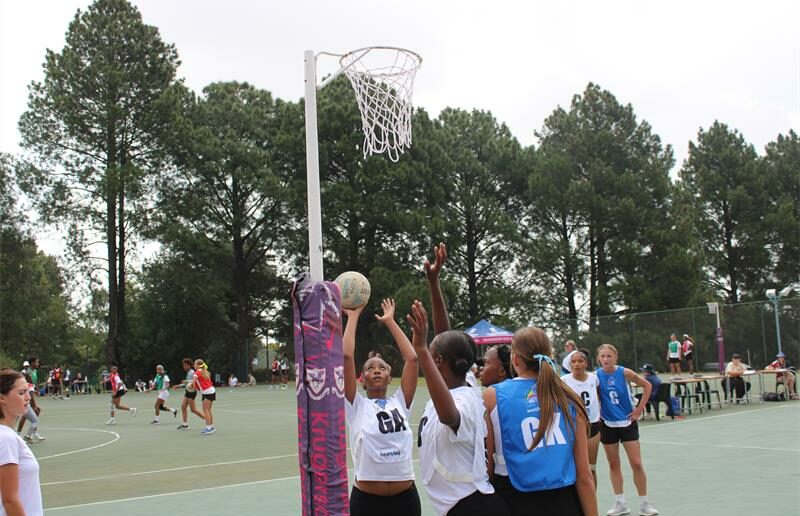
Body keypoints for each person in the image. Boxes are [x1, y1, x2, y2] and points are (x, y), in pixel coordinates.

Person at [413, 243, 509, 516]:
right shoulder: (462, 380)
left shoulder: (465, 401)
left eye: (433, 355)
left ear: (440, 361)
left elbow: (448, 416)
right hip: (463, 506)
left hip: (473, 506)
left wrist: (421, 350)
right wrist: (434, 282)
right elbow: (445, 335)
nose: (430, 355)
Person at [484, 329, 597, 516]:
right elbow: (584, 477)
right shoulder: (569, 397)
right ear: (550, 356)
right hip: (564, 501)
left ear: (516, 359)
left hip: (513, 498)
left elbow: (487, 468)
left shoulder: (493, 396)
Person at [343, 298, 420, 516]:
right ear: (362, 380)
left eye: (382, 368)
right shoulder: (356, 406)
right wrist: (353, 316)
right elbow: (346, 356)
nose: (376, 370)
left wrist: (390, 322)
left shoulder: (401, 402)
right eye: (370, 368)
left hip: (405, 500)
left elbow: (412, 358)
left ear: (389, 378)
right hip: (367, 502)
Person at [596, 344, 658, 516]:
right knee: (613, 464)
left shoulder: (625, 373)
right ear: (598, 358)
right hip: (607, 424)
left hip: (627, 422)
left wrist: (639, 409)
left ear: (615, 357)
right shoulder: (596, 376)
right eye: (603, 356)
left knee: (636, 463)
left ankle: (644, 504)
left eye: (609, 356)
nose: (606, 359)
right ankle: (620, 503)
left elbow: (647, 386)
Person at [0, 368, 43, 516]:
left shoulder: (8, 435)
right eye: (21, 393)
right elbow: (9, 500)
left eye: (27, 391)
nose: (28, 397)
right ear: (2, 398)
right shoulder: (6, 438)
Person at [562, 348, 602, 488]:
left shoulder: (593, 378)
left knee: (591, 468)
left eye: (580, 361)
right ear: (570, 364)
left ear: (586, 363)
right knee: (577, 468)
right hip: (574, 426)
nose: (577, 364)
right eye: (574, 362)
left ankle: (593, 501)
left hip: (593, 424)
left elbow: (597, 394)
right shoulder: (564, 381)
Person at [173, 358, 205, 430]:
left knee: (193, 410)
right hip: (187, 392)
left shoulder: (192, 372)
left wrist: (186, 381)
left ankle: (207, 420)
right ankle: (185, 424)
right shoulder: (188, 372)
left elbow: (195, 380)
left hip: (192, 392)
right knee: (183, 407)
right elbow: (187, 383)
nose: (184, 367)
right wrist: (178, 386)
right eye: (183, 365)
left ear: (189, 365)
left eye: (185, 365)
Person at [193, 359, 216, 435]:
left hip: (207, 392)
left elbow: (193, 384)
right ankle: (211, 427)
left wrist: (190, 386)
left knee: (206, 410)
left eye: (194, 364)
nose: (194, 365)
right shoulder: (204, 371)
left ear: (197, 365)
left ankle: (208, 428)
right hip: (211, 391)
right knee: (208, 410)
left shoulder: (197, 372)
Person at [20, 373, 45, 443]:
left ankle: (18, 434)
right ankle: (27, 436)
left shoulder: (21, 385)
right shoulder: (30, 385)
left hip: (18, 405)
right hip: (26, 405)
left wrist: (35, 391)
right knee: (35, 421)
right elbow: (31, 397)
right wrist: (34, 406)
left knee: (11, 423)